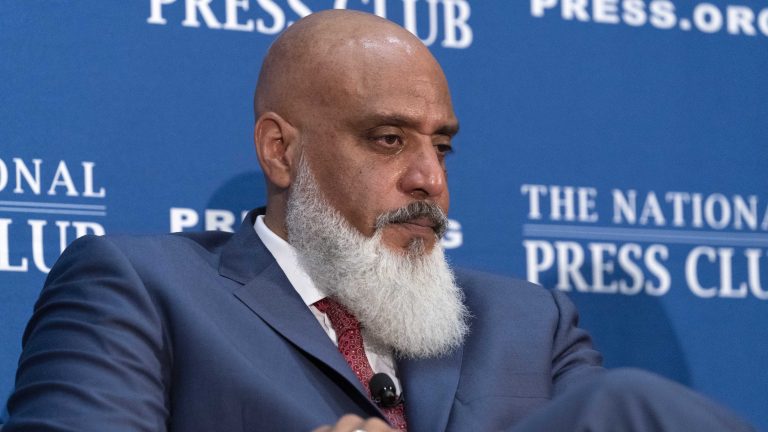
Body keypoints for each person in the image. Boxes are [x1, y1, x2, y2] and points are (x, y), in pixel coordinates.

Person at [2, 10, 754, 432]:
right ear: (280, 151)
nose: (430, 178)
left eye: (442, 145)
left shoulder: (532, 321)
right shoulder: (139, 286)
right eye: (387, 139)